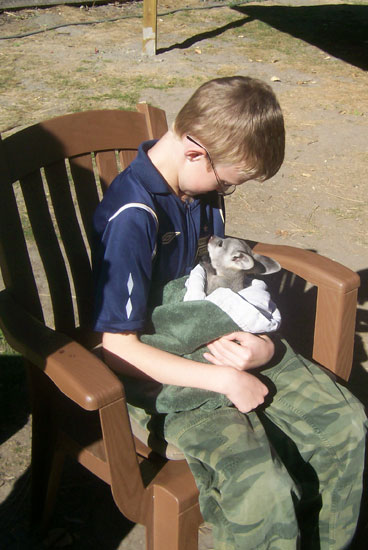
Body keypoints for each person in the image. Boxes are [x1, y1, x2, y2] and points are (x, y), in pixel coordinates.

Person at [92, 76, 366, 549]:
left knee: (347, 427)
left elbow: (216, 281)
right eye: (229, 182)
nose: (225, 192)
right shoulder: (135, 216)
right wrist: (224, 380)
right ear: (196, 150)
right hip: (164, 376)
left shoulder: (198, 187)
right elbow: (118, 347)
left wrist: (264, 342)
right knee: (264, 490)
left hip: (226, 341)